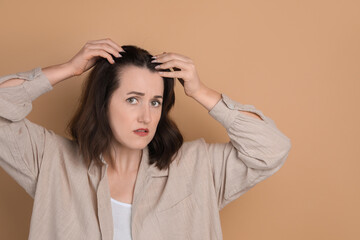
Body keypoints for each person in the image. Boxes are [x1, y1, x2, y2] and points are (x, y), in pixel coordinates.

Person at [0, 38, 291, 240]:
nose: (146, 116)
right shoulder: (51, 161)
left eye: (155, 102)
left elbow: (272, 148)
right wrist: (69, 69)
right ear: (103, 103)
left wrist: (200, 92)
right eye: (132, 99)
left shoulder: (198, 168)